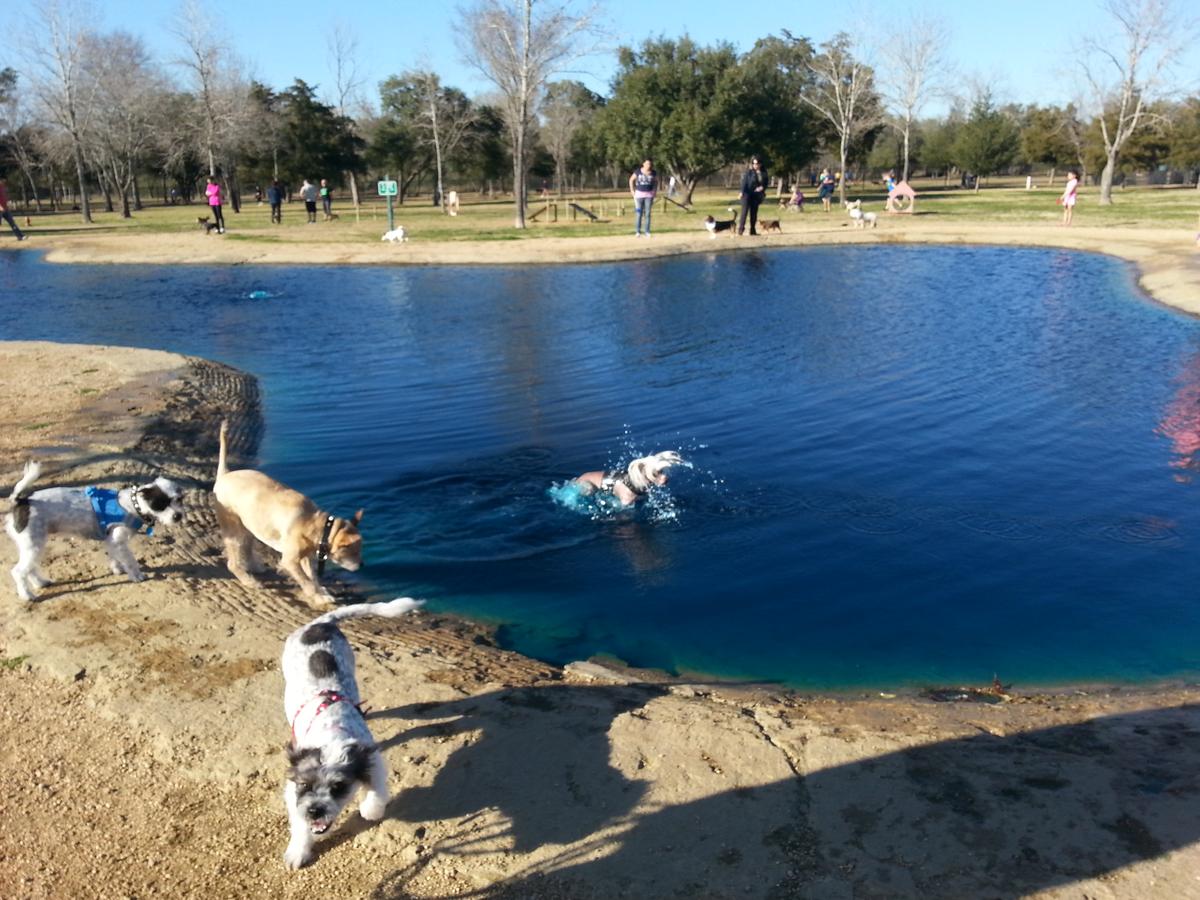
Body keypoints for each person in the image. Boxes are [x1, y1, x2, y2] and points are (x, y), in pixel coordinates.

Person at [737, 156, 768, 236]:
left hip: (756, 195)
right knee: (744, 212)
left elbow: (765, 183)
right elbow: (744, 183)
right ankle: (741, 230)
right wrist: (741, 192)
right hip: (747, 194)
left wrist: (762, 187)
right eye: (754, 163)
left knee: (754, 213)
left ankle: (752, 230)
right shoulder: (749, 172)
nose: (755, 165)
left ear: (760, 164)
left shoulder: (764, 173)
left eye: (757, 163)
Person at [629, 158, 658, 237]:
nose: (649, 165)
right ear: (643, 164)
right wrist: (632, 190)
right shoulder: (638, 171)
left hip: (649, 195)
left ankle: (647, 231)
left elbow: (656, 182)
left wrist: (655, 191)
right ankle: (638, 231)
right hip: (639, 195)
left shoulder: (653, 173)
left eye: (650, 164)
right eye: (647, 164)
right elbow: (631, 180)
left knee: (647, 214)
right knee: (639, 214)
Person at [0, 174, 26, 241]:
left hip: (5, 208)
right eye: (3, 180)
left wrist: (8, 204)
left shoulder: (3, 187)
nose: (4, 182)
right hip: (0, 209)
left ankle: (20, 236)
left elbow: (5, 197)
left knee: (12, 222)